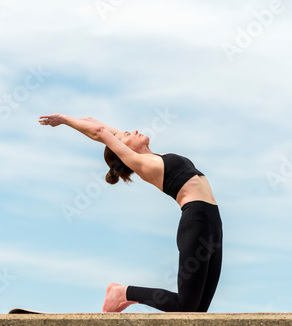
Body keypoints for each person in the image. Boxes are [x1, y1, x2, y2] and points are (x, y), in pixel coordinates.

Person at [39, 114, 223, 313]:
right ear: (124, 150)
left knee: (198, 313)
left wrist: (86, 120)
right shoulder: (141, 163)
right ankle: (122, 292)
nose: (133, 131)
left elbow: (100, 126)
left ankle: (124, 294)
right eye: (126, 134)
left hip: (214, 225)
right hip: (196, 221)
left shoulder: (152, 156)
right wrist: (64, 119)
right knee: (185, 307)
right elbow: (99, 132)